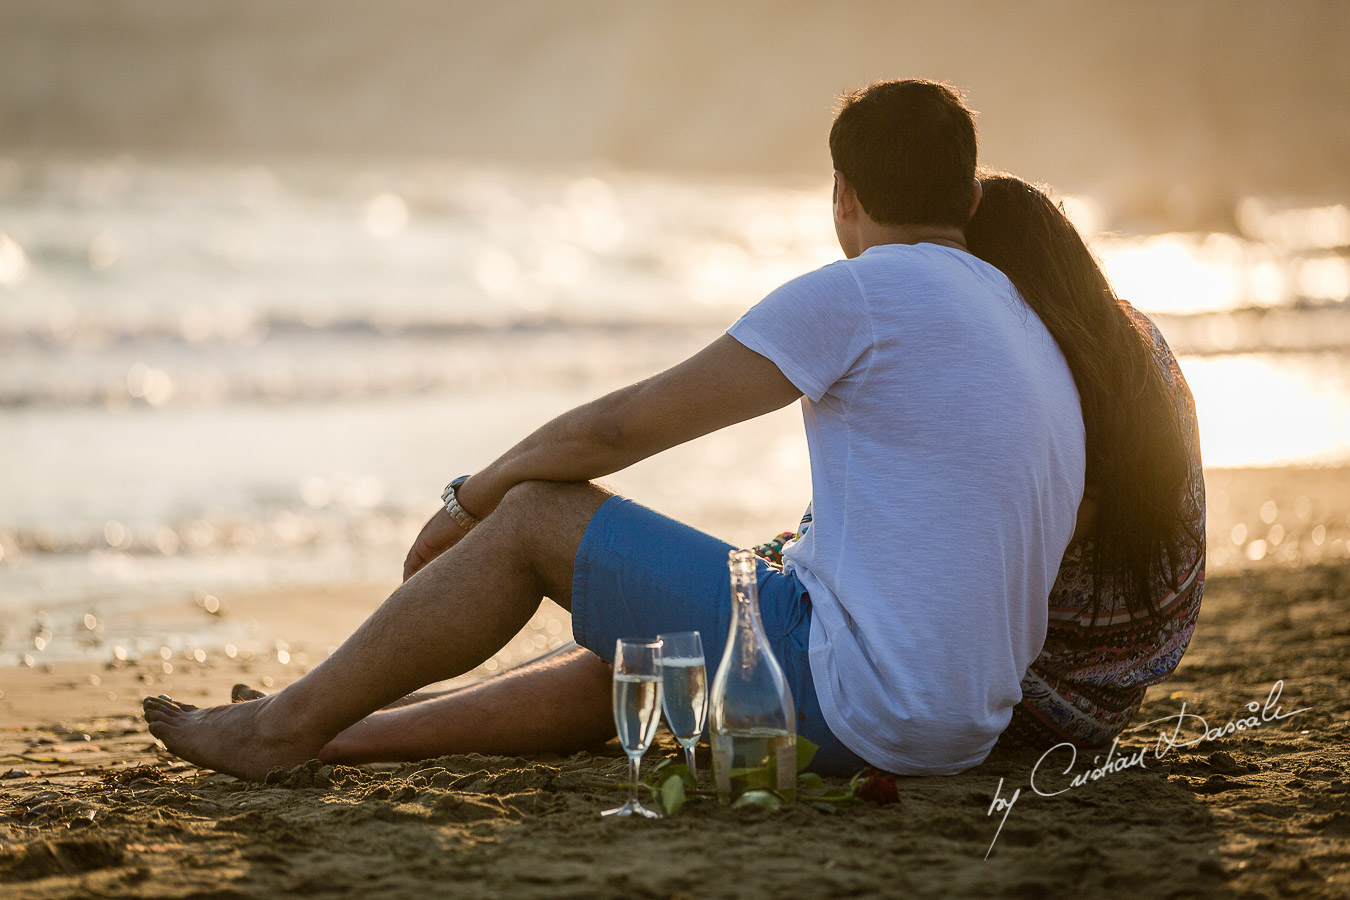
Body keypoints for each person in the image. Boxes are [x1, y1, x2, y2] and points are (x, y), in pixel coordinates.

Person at [143, 79, 1086, 780]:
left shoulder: (864, 292)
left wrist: (469, 500)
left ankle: (278, 731)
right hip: (960, 726)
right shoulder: (1028, 324)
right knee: (627, 632)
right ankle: (330, 726)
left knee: (539, 520)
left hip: (856, 708)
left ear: (842, 197)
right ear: (968, 199)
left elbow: (616, 429)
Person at [963, 174, 1205, 751]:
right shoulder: (1132, 343)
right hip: (1112, 693)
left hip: (1038, 697)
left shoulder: (1043, 373)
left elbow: (1030, 545)